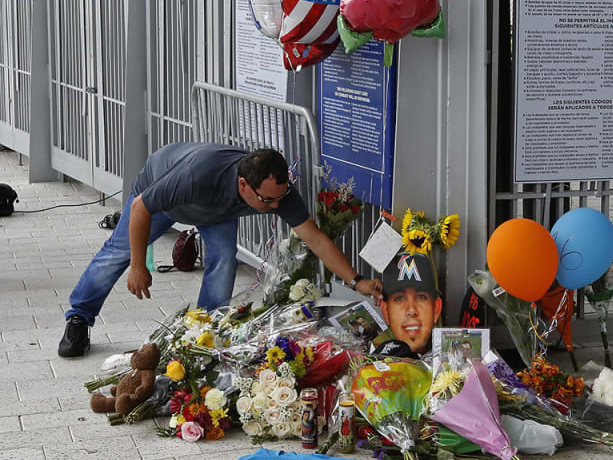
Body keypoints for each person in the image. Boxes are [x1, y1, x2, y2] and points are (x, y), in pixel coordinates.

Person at [59, 143, 382, 358]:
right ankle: (78, 318)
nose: (273, 207)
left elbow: (317, 240)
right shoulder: (198, 175)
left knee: (224, 261)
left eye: (279, 199)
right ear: (243, 184)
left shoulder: (279, 193)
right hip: (161, 197)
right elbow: (143, 206)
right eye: (266, 200)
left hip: (217, 213)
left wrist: (358, 281)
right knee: (117, 253)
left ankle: (202, 333)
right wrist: (138, 265)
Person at [376, 251, 442, 355]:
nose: (411, 310)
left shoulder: (451, 365)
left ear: (436, 309)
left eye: (421, 297)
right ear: (385, 311)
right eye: (399, 299)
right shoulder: (372, 365)